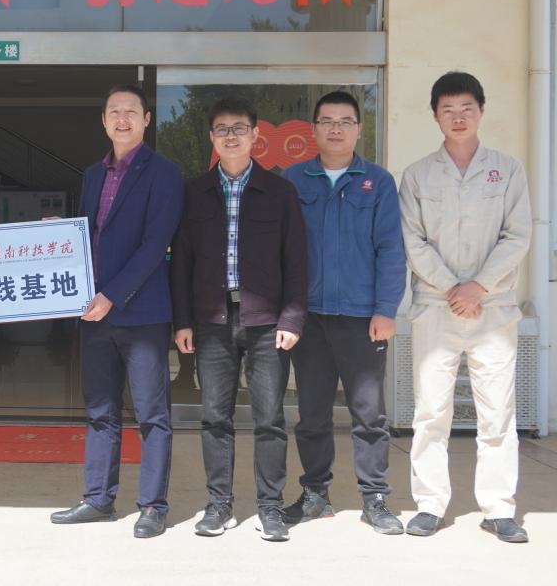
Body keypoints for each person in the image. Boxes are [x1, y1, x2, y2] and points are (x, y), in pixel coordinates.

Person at [399, 72, 532, 543]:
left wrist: (477, 286)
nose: (458, 118)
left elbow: (518, 235)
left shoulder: (507, 170)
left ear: (481, 111)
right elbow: (413, 240)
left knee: (497, 413)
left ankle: (499, 509)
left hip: (492, 308)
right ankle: (429, 505)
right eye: (448, 110)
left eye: (466, 109)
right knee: (431, 412)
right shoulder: (418, 175)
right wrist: (453, 288)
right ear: (435, 115)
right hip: (436, 308)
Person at [49, 84, 184, 539]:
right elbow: (89, 234)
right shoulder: (93, 174)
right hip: (94, 314)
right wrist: (59, 234)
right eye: (114, 112)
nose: (122, 119)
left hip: (141, 313)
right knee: (100, 410)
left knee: (152, 414)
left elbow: (155, 244)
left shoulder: (164, 174)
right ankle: (98, 499)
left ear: (146, 119)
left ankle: (153, 506)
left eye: (131, 111)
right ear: (103, 121)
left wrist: (112, 294)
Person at [172, 96, 307, 542]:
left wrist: (292, 318)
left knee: (269, 418)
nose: (231, 136)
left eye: (239, 128)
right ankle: (219, 505)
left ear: (255, 136)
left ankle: (270, 507)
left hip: (268, 323)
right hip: (211, 319)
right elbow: (182, 261)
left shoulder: (280, 191)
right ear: (212, 137)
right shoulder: (194, 192)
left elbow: (296, 261)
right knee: (215, 417)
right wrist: (183, 321)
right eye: (222, 129)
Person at [282, 91, 406, 534]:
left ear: (358, 129)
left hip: (361, 317)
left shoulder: (378, 181)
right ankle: (315, 494)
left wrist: (386, 309)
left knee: (369, 413)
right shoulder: (293, 179)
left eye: (345, 121)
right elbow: (281, 250)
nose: (336, 128)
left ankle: (375, 498)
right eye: (327, 121)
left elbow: (391, 249)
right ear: (314, 129)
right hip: (309, 317)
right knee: (312, 412)